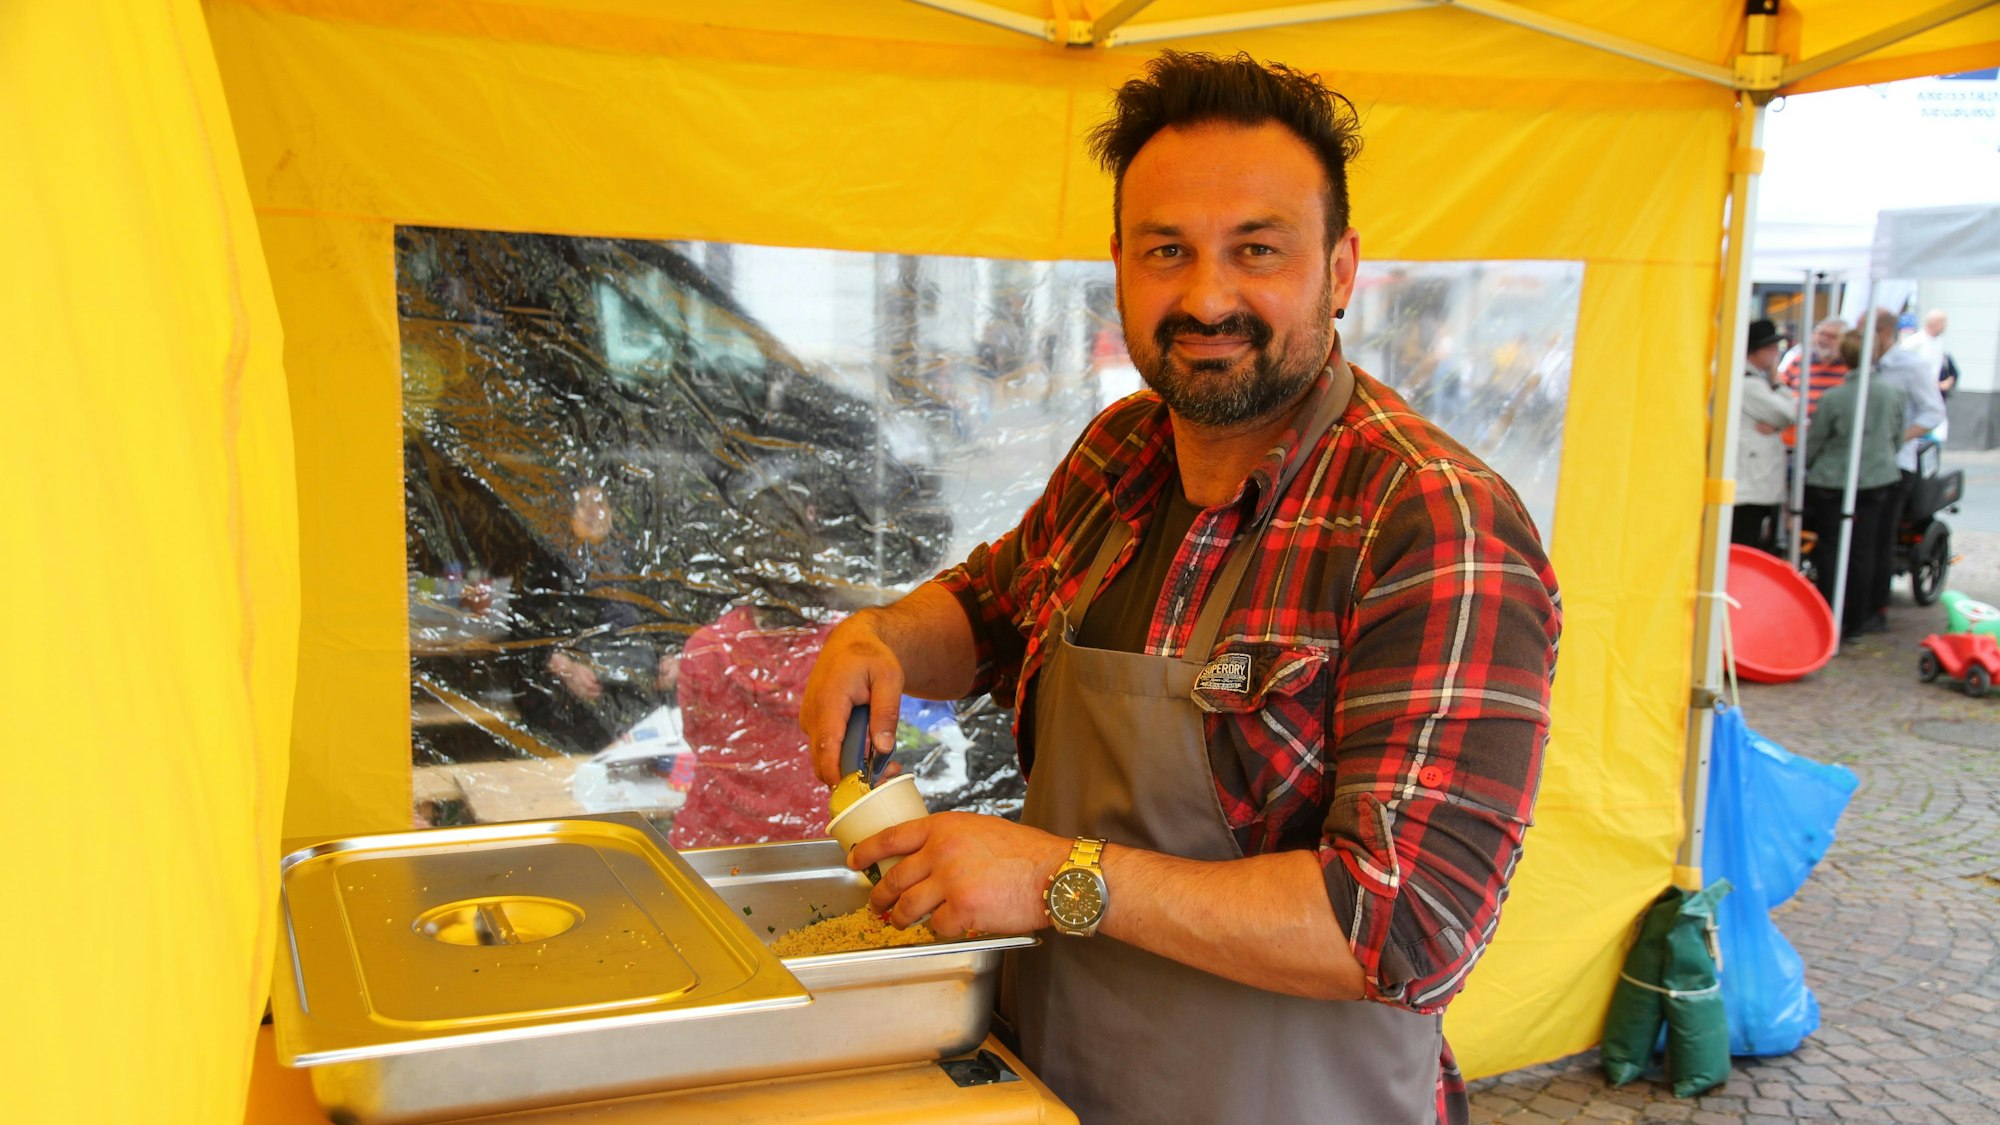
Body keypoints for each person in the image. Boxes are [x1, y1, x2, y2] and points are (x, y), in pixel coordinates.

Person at [799, 52, 1561, 1125]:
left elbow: (1401, 927)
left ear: (1339, 269)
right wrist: (876, 639)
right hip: (1054, 1088)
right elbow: (985, 609)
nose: (1206, 296)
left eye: (1257, 249)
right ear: (1118, 264)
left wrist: (1059, 876)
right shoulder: (1121, 455)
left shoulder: (1430, 521)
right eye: (1168, 251)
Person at [1802, 330, 1905, 640]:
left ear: (1844, 357)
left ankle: (1829, 613)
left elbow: (1816, 440)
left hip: (1834, 479)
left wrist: (1806, 465)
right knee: (1865, 547)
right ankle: (1858, 619)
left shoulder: (1835, 397)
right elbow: (1896, 437)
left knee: (1832, 548)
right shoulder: (1893, 392)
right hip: (1876, 477)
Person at [1870, 308, 1948, 631]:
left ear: (1885, 333)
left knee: (1881, 535)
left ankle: (1877, 607)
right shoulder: (1863, 364)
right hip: (1862, 463)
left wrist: (1897, 438)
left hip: (1896, 463)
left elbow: (1933, 412)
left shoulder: (1910, 366)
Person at [1732, 318, 1797, 555]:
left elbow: (1781, 417)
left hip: (1749, 481)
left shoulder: (1746, 380)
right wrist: (1777, 383)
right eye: (1772, 349)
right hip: (1751, 484)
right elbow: (1787, 413)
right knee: (1746, 545)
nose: (1775, 355)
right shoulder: (1750, 384)